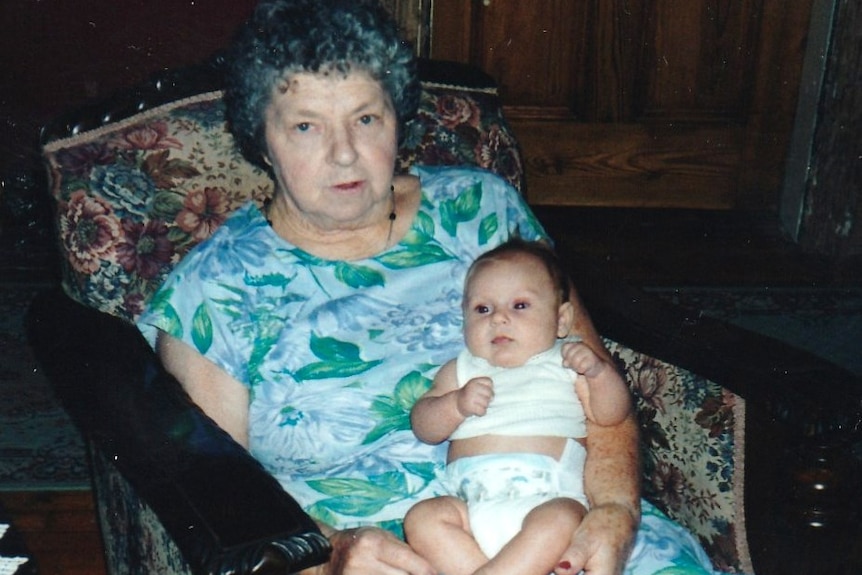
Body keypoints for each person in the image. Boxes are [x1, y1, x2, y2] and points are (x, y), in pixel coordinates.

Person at [136, 1, 727, 574]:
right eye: (306, 126)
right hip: (373, 555)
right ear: (261, 141)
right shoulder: (213, 292)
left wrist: (614, 516)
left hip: (554, 520)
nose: (344, 153)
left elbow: (596, 391)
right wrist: (328, 559)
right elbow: (224, 499)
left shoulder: (480, 211)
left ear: (398, 118)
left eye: (366, 119)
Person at [404, 239, 632, 575]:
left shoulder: (567, 359)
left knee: (563, 519)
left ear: (561, 320)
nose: (498, 319)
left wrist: (598, 373)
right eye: (483, 309)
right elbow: (423, 427)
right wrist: (455, 404)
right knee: (422, 519)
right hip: (472, 509)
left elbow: (611, 414)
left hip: (546, 499)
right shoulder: (462, 369)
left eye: (520, 305)